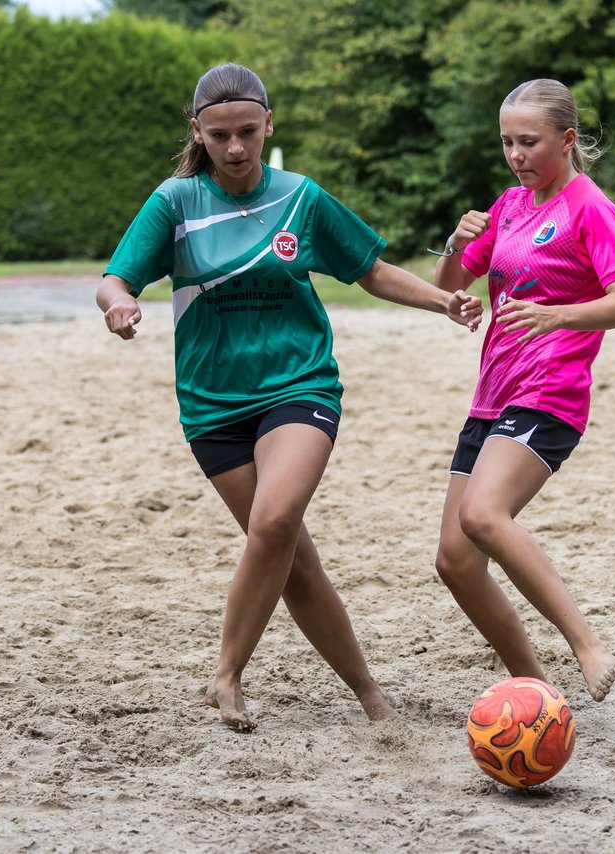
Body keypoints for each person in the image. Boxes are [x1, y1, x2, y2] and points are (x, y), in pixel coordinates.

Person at [96, 63, 482, 732]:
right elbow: (115, 278)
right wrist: (120, 305)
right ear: (198, 133)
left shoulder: (301, 197)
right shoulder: (175, 202)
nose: (237, 148)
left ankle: (225, 675)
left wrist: (442, 300)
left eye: (248, 131)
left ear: (270, 124)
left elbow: (370, 270)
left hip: (299, 385)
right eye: (220, 136)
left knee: (272, 523)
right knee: (293, 556)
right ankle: (369, 693)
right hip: (212, 404)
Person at [430, 79, 615, 702]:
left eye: (529, 142)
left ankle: (589, 645)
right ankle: (536, 690)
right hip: (494, 392)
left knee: (482, 516)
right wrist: (456, 245)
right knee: (454, 559)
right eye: (506, 143)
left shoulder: (590, 207)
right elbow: (451, 290)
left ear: (567, 140)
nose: (516, 155)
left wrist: (559, 316)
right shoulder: (511, 204)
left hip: (550, 392)